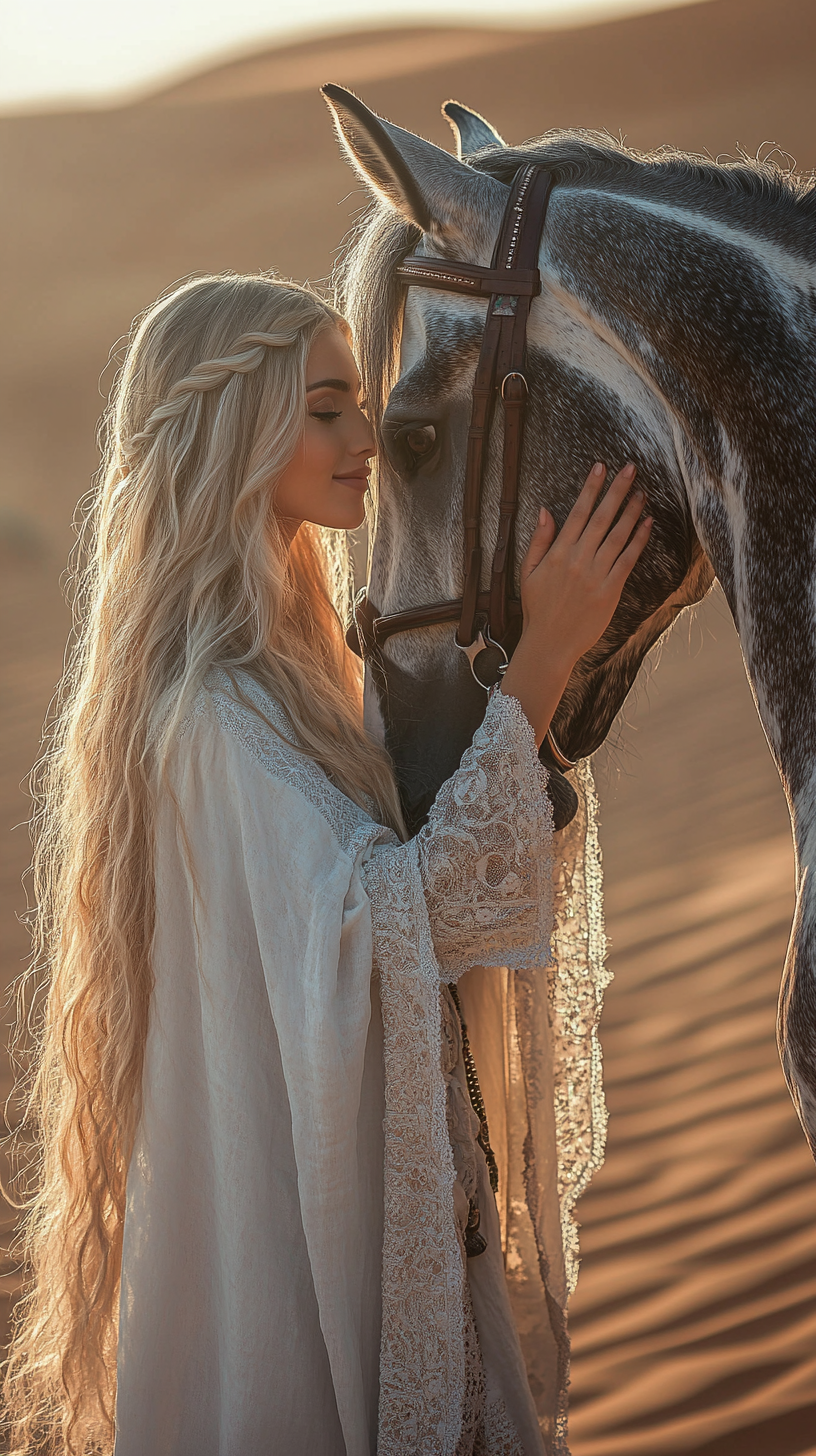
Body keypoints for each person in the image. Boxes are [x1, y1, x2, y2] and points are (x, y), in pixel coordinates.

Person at [4, 273, 651, 1456]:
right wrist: (543, 661)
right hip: (306, 1278)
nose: (366, 440)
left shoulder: (303, 673)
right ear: (237, 427)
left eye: (360, 406)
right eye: (328, 409)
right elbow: (389, 920)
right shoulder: (210, 714)